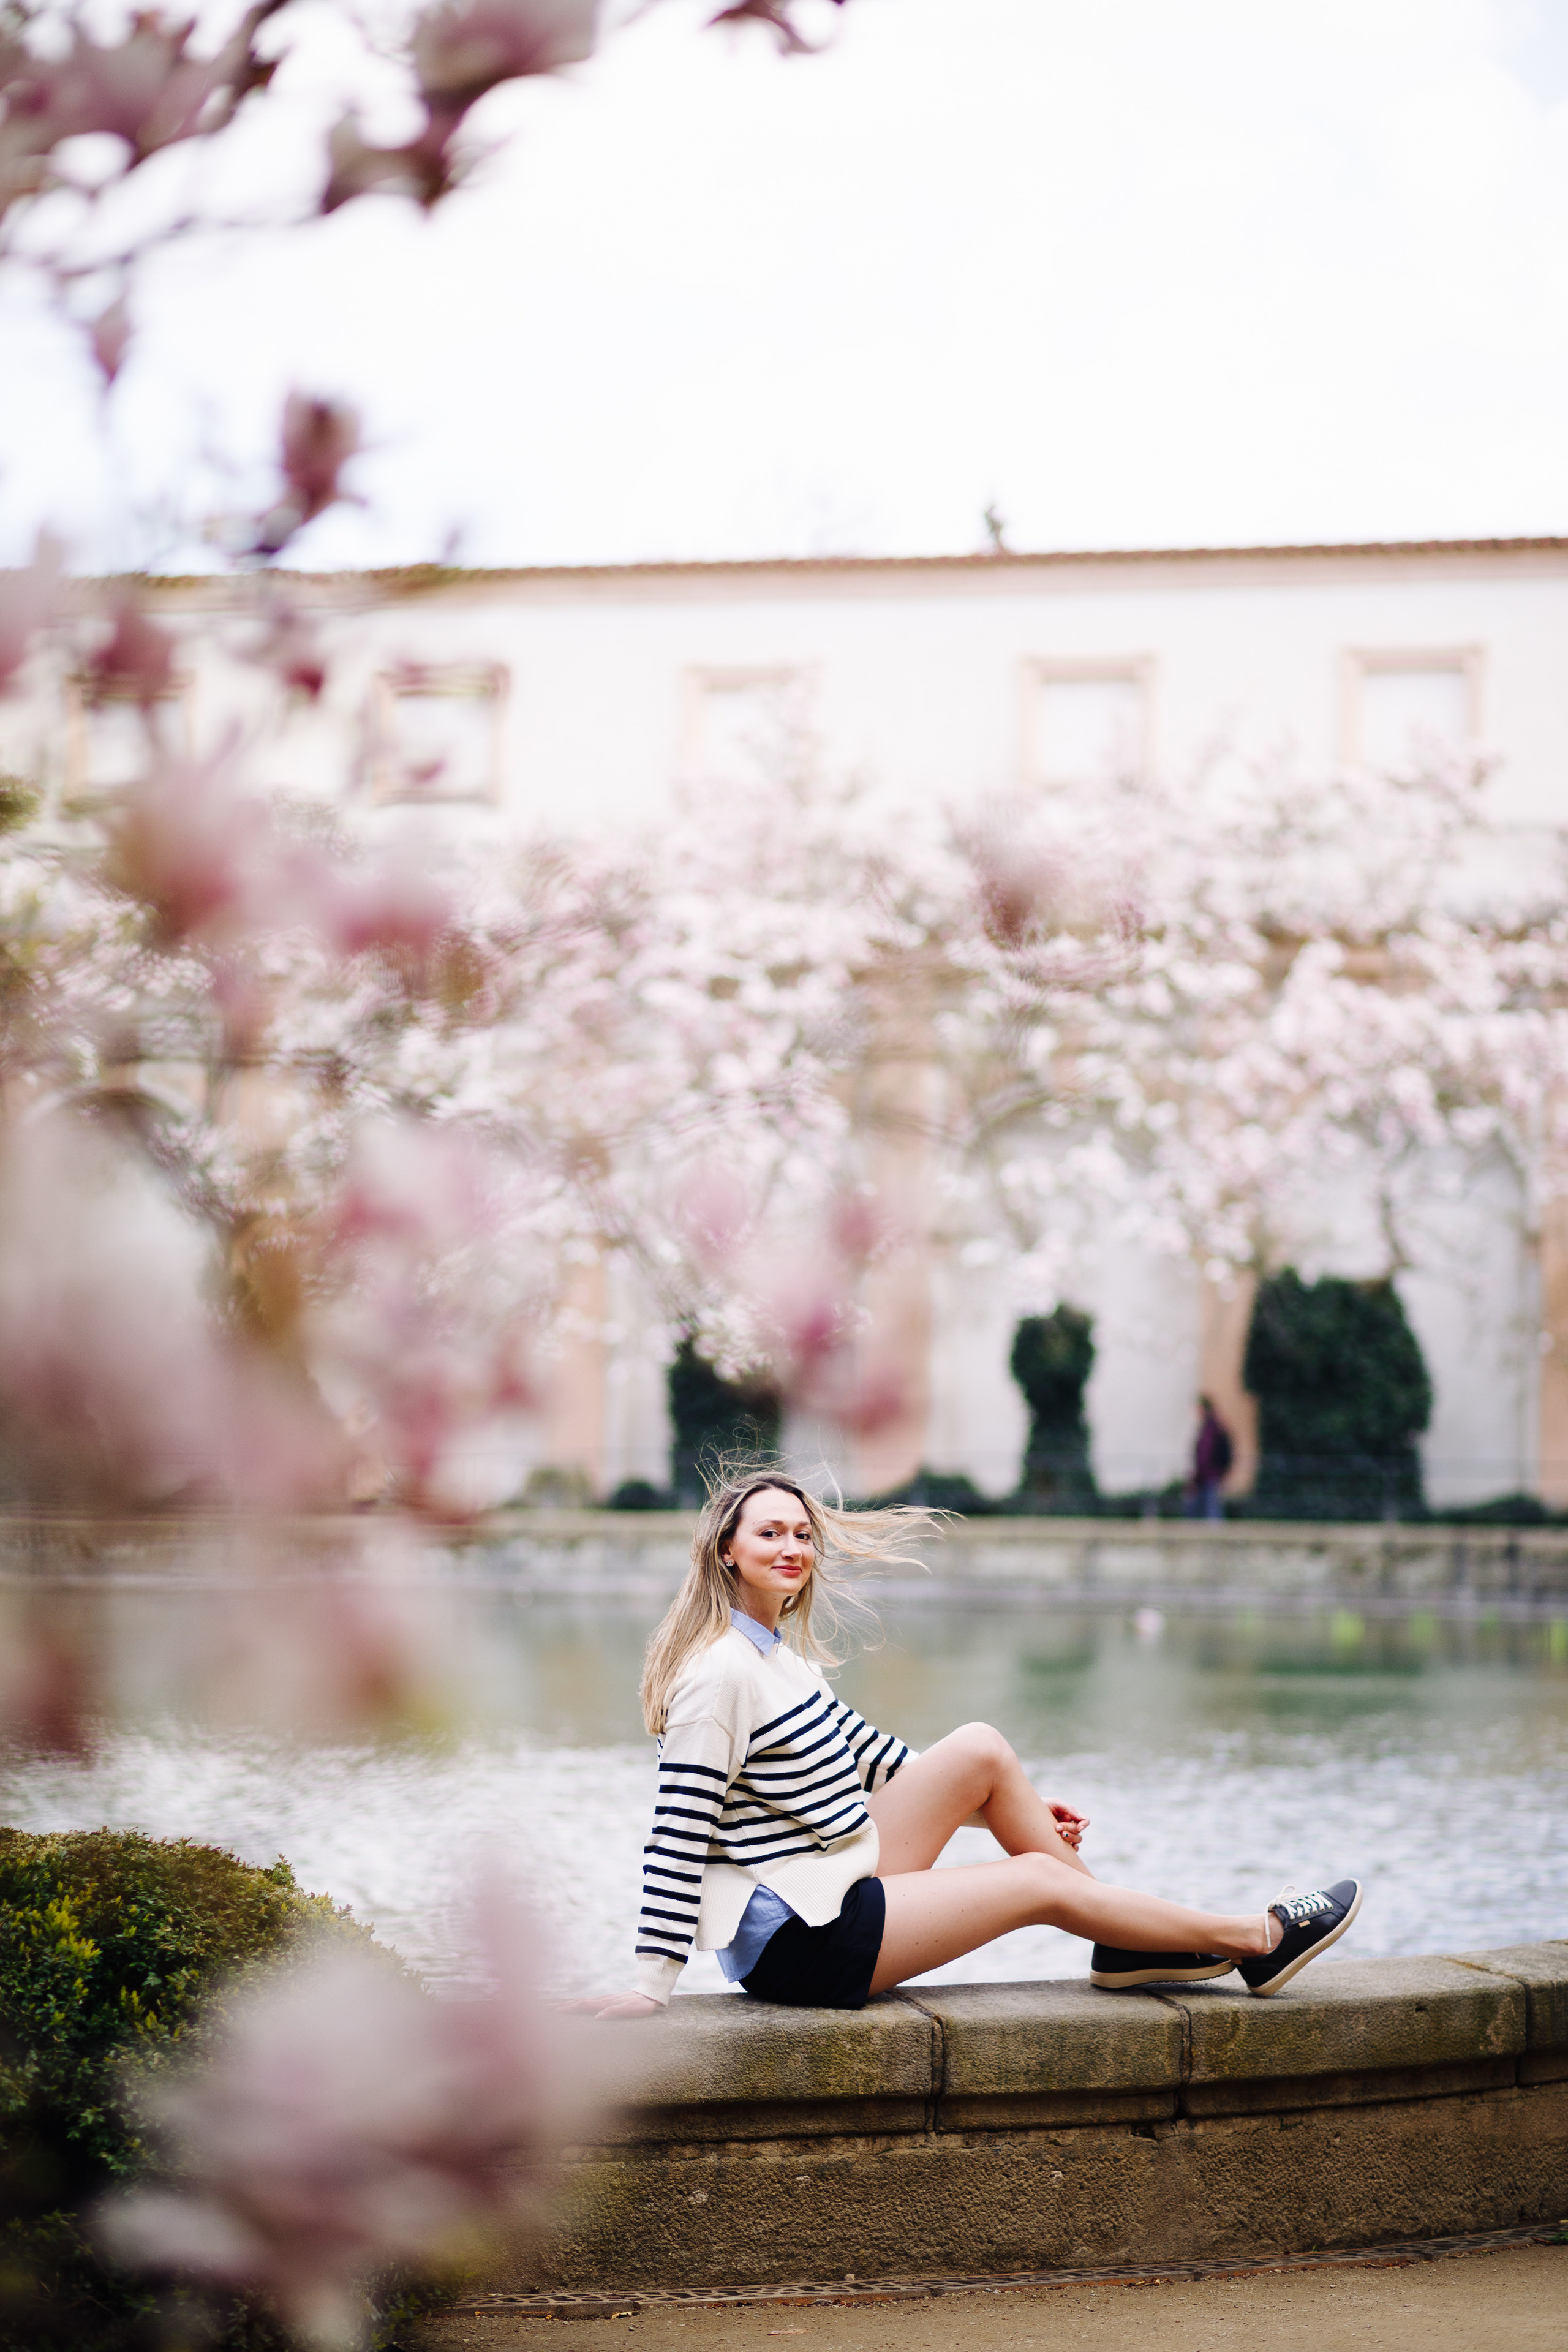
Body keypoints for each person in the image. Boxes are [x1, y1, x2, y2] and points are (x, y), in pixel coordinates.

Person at [565, 1465, 1362, 2018]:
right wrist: (650, 1982)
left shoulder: (785, 1659)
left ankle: (1121, 1941)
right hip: (802, 1945)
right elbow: (678, 1831)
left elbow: (877, 1761)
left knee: (980, 1748)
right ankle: (1255, 1939)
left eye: (803, 1535)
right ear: (727, 1550)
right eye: (770, 1533)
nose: (793, 1548)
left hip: (832, 1884)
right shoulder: (719, 1676)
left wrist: (1002, 1805)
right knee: (1032, 1883)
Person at [1188, 1394, 1234, 1521]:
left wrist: (1221, 1471)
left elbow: (1209, 1455)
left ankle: (1216, 1536)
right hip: (1204, 1477)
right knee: (1200, 1509)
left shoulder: (1213, 1429)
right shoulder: (1207, 1428)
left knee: (1212, 1511)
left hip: (1211, 1476)